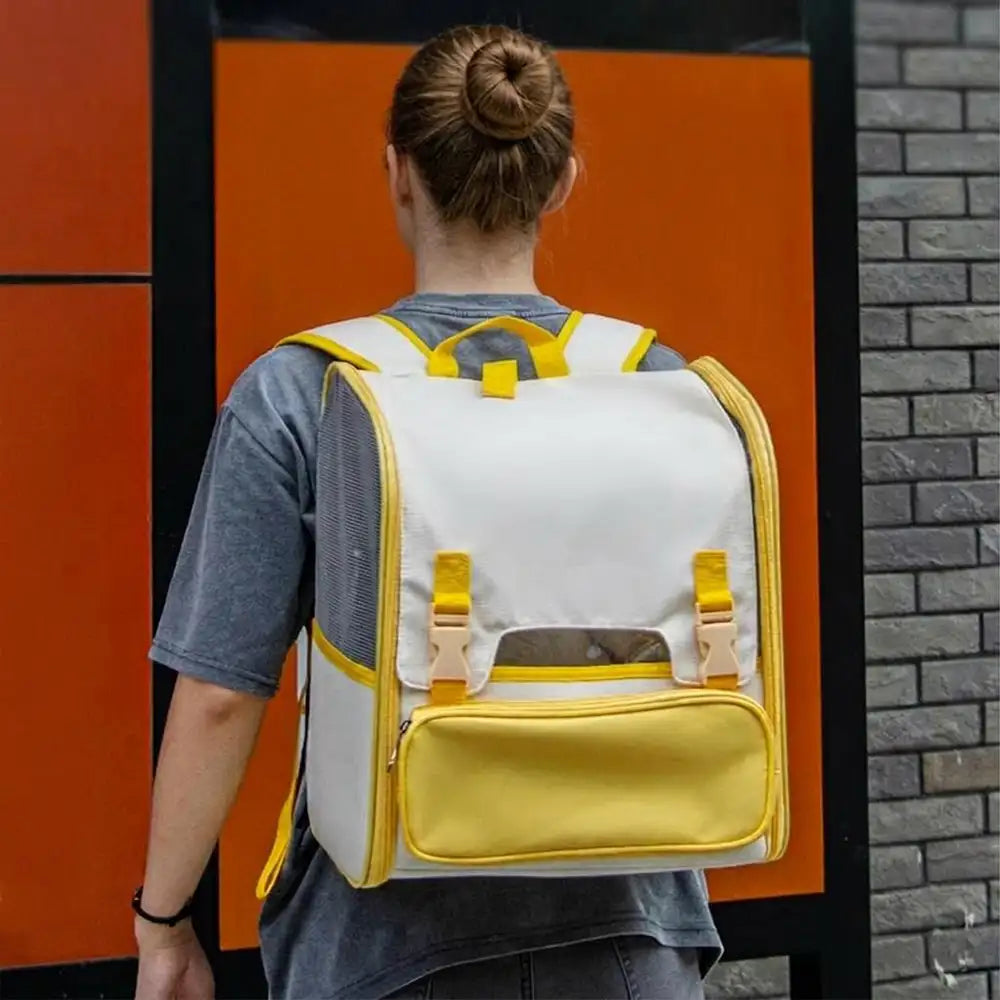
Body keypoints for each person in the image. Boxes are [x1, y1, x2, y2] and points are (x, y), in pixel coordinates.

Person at [134, 24, 721, 1000]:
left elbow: (220, 695)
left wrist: (163, 925)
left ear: (398, 172)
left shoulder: (302, 392)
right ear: (562, 182)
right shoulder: (654, 380)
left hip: (380, 942)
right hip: (631, 929)